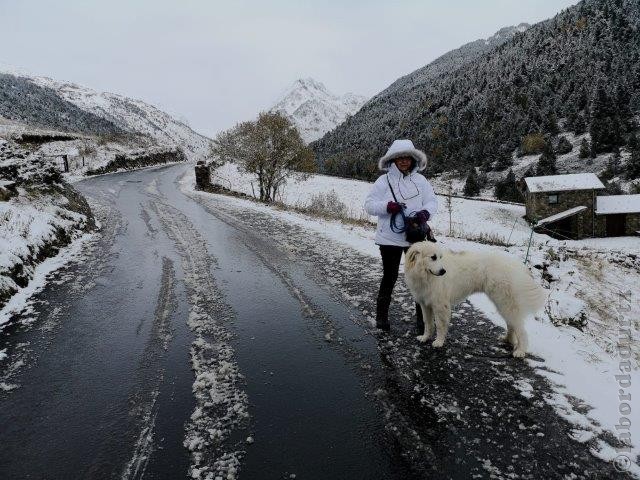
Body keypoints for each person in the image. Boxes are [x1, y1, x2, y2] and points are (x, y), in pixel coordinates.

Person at [364, 139, 438, 333]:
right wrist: (387, 206)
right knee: (389, 277)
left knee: (420, 278)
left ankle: (423, 322)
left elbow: (431, 202)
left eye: (407, 158)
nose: (404, 161)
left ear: (413, 159)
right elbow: (369, 205)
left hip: (414, 239)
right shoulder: (383, 181)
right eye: (400, 158)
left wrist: (424, 214)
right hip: (388, 239)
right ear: (393, 160)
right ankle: (381, 319)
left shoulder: (421, 181)